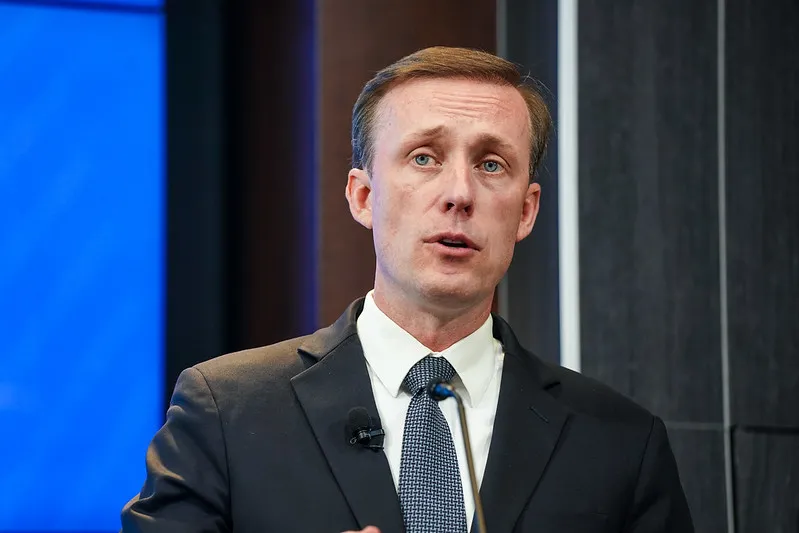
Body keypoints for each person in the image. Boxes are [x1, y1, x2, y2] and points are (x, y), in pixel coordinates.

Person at [121, 46, 694, 533]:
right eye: (424, 157)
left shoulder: (621, 442)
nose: (459, 193)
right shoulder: (225, 411)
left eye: (492, 164)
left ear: (526, 210)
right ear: (363, 197)